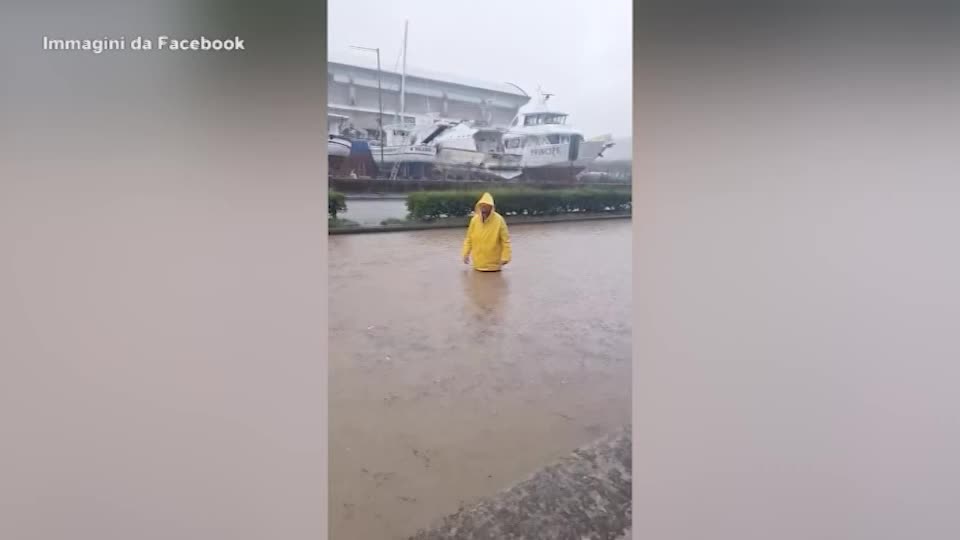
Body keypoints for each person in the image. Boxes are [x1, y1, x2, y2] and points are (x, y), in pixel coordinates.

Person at [461, 192, 512, 272]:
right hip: (478, 265)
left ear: (491, 207)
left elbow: (505, 241)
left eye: (486, 206)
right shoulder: (474, 220)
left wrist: (506, 257)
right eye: (482, 206)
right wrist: (465, 254)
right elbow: (469, 239)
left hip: (494, 266)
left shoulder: (499, 220)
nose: (484, 208)